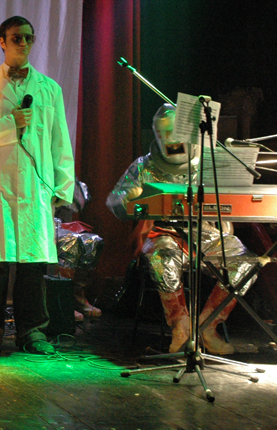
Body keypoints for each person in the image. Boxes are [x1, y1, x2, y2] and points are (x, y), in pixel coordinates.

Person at [106, 104, 257, 355]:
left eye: (173, 132)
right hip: (163, 235)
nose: (168, 139)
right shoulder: (144, 165)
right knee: (163, 259)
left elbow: (233, 198)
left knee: (246, 263)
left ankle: (208, 326)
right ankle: (180, 328)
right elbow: (113, 201)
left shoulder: (208, 163)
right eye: (161, 133)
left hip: (206, 234)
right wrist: (128, 198)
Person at [0, 16, 75, 356]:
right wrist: (9, 122)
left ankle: (33, 332)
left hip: (34, 185)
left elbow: (60, 140)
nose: (23, 43)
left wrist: (63, 186)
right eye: (16, 37)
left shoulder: (49, 89)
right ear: (2, 41)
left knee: (33, 265)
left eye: (29, 38)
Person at [55, 181, 104, 320]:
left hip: (57, 222)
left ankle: (78, 296)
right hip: (37, 222)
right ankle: (63, 300)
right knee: (70, 242)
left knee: (93, 241)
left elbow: (78, 202)